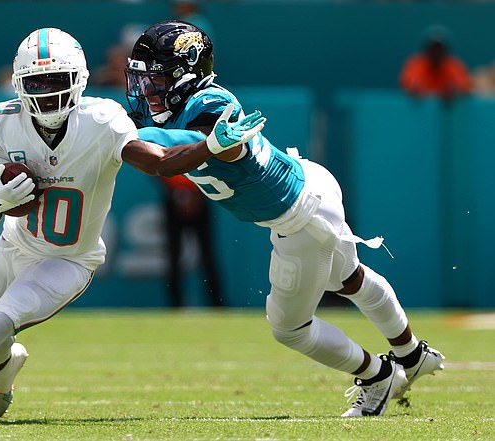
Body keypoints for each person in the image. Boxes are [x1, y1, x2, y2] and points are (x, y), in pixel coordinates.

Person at [0, 27, 264, 423]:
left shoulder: (102, 121)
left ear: (78, 79)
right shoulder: (1, 123)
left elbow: (159, 161)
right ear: (18, 84)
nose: (45, 91)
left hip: (67, 260)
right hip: (12, 247)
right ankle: (3, 370)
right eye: (35, 82)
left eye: (56, 80)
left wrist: (211, 145)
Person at [125, 20, 445, 417]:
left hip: (300, 216)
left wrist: (116, 134)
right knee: (348, 278)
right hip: (309, 185)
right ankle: (413, 354)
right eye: (142, 78)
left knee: (288, 327)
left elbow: (177, 155)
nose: (145, 89)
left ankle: (380, 375)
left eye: (155, 78)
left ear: (186, 74)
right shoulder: (175, 111)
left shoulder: (211, 106)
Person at [158, 174, 224, 308]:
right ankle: (175, 306)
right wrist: (177, 194)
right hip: (173, 200)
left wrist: (197, 195)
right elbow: (156, 169)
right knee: (173, 256)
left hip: (200, 199)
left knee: (207, 256)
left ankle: (217, 304)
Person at [399, 25, 472, 101]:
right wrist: (416, 89)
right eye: (433, 49)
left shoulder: (454, 65)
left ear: (446, 51)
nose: (436, 53)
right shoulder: (416, 64)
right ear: (426, 50)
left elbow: (464, 86)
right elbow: (409, 83)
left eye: (440, 49)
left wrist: (454, 90)